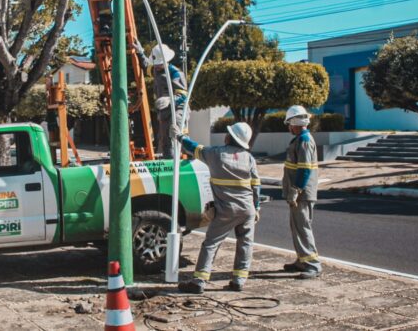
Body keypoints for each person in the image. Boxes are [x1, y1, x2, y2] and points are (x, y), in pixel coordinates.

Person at [175, 122, 261, 293]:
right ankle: (238, 281)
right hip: (247, 210)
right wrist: (256, 207)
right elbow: (256, 185)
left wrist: (179, 136)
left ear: (229, 137)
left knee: (211, 244)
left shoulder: (215, 154)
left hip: (226, 210)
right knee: (245, 244)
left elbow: (193, 148)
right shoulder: (249, 158)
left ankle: (199, 281)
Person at [281, 105, 322, 279]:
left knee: (303, 227)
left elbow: (304, 169)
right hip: (299, 193)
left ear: (295, 122)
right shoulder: (300, 139)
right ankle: (302, 260)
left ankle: (313, 264)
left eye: (289, 123)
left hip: (302, 194)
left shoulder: (304, 140)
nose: (289, 127)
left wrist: (296, 190)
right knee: (297, 226)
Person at [133, 40, 186, 158]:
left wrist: (169, 100)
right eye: (155, 63)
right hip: (164, 112)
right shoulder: (157, 70)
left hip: (177, 111)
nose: (156, 66)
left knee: (174, 138)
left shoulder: (176, 73)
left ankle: (177, 167)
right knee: (164, 141)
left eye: (158, 64)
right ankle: (168, 166)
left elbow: (183, 96)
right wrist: (140, 52)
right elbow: (146, 65)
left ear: (166, 61)